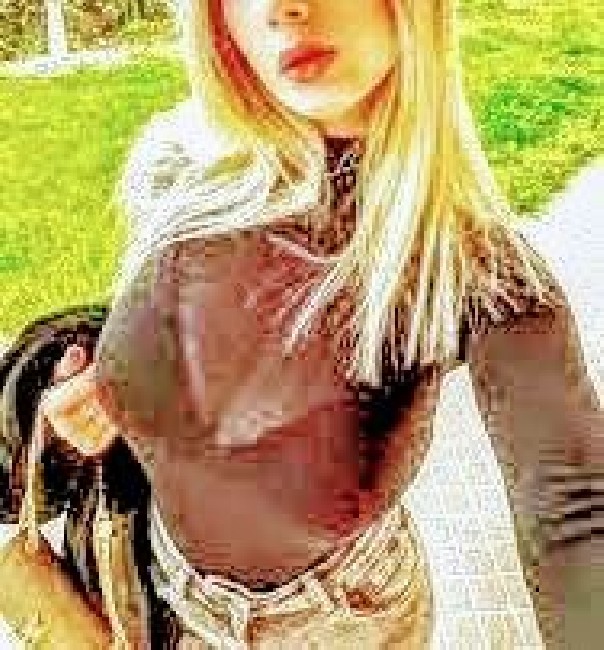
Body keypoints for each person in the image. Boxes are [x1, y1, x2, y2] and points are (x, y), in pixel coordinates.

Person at [0, 0, 601, 648]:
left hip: (329, 624)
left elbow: (572, 515)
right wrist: (116, 388)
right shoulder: (187, 169)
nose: (282, 10)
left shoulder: (475, 269)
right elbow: (193, 341)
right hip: (147, 586)